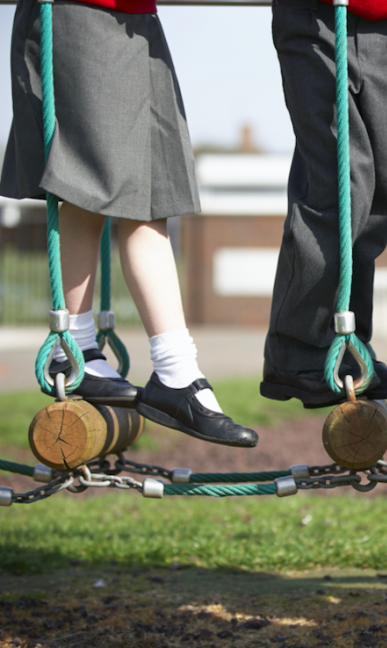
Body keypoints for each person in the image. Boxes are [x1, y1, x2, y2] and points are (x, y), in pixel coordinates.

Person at [1, 0, 258, 448]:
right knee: (87, 186)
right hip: (82, 11)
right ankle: (74, 348)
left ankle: (176, 370)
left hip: (138, 19)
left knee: (152, 197)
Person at [260, 0, 387, 408]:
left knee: (377, 197)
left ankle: (352, 347)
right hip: (317, 13)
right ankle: (296, 354)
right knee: (341, 184)